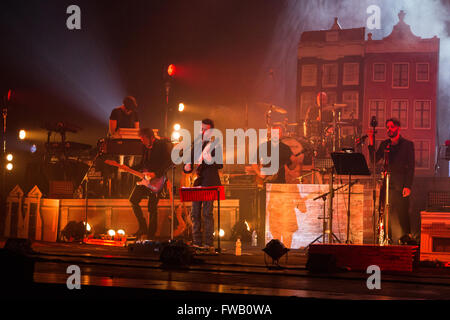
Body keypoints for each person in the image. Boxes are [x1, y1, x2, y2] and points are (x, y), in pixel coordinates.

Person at [368, 118, 415, 245]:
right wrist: (371, 141)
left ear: (398, 128)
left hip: (401, 185)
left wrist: (408, 186)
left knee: (402, 212)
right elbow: (373, 160)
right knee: (385, 211)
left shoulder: (407, 144)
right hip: (387, 184)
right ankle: (386, 237)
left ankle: (407, 237)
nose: (389, 129)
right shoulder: (385, 144)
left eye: (391, 127)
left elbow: (411, 167)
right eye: (387, 127)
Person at [183, 119, 223, 249]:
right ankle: (196, 242)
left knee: (207, 213)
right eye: (201, 129)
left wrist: (208, 159)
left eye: (206, 129)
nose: (203, 131)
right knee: (194, 213)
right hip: (197, 182)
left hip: (209, 182)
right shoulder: (196, 145)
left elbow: (219, 164)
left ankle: (208, 243)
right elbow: (188, 165)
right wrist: (187, 167)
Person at [129, 128, 172, 239]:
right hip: (145, 179)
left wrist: (156, 174)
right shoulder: (144, 147)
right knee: (133, 200)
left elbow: (168, 162)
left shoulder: (161, 145)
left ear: (151, 138)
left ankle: (151, 235)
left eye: (143, 138)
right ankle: (143, 227)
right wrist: (128, 168)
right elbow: (143, 164)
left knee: (152, 207)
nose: (141, 141)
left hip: (157, 180)